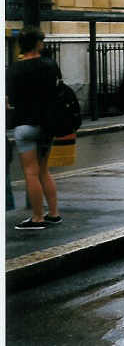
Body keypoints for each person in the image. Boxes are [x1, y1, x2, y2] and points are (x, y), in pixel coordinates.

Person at [6, 27, 62, 230]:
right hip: (47, 125)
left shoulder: (14, 69)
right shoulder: (50, 65)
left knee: (31, 172)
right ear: (38, 43)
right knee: (44, 171)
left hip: (25, 124)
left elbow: (9, 100)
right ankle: (54, 213)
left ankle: (37, 218)